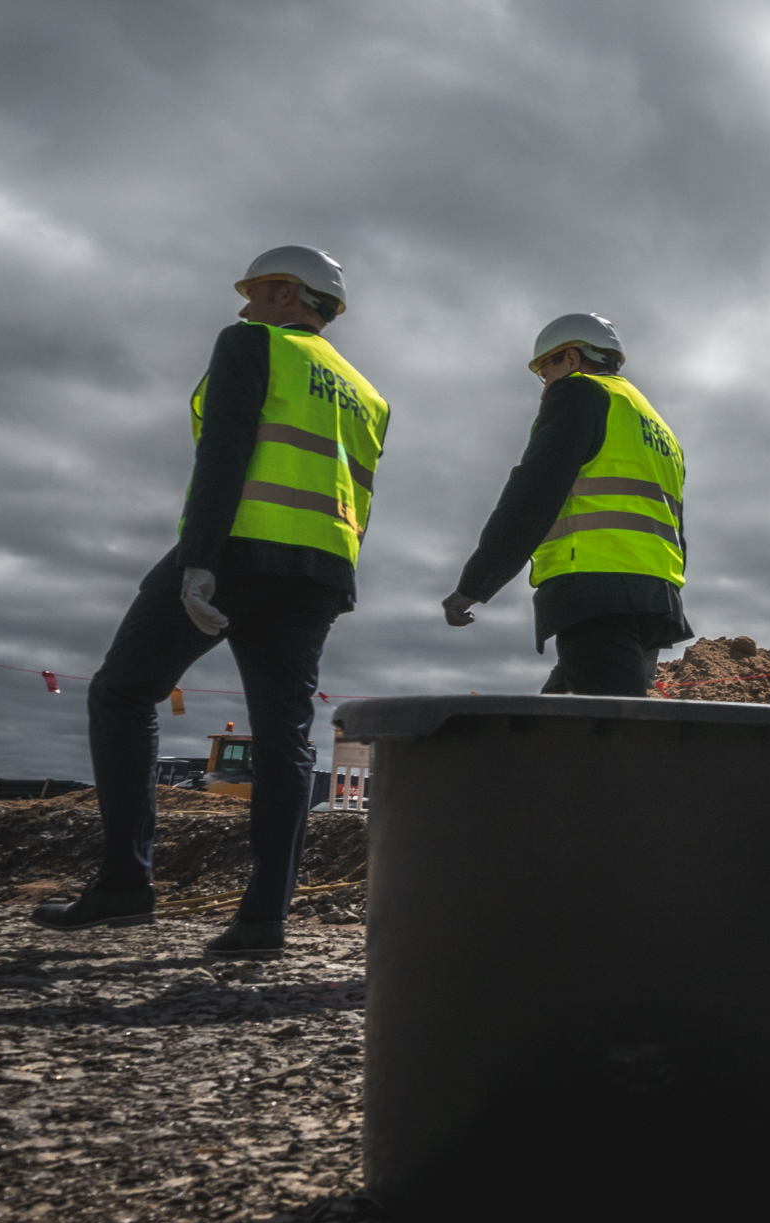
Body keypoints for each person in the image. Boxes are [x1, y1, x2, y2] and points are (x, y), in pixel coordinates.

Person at [39, 246, 388, 957]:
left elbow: (224, 450)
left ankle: (125, 885)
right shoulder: (366, 392)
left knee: (122, 693)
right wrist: (336, 577)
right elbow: (360, 492)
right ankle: (263, 922)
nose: (243, 306)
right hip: (321, 569)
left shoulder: (251, 343)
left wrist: (199, 561)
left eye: (256, 292)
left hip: (236, 550)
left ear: (287, 293)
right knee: (286, 736)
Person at [442, 313, 690, 696]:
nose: (545, 389)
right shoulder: (659, 427)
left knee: (613, 733)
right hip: (657, 600)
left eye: (546, 373)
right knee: (561, 723)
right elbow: (677, 528)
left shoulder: (580, 392)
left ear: (571, 359)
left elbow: (534, 491)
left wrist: (476, 582)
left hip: (594, 590)